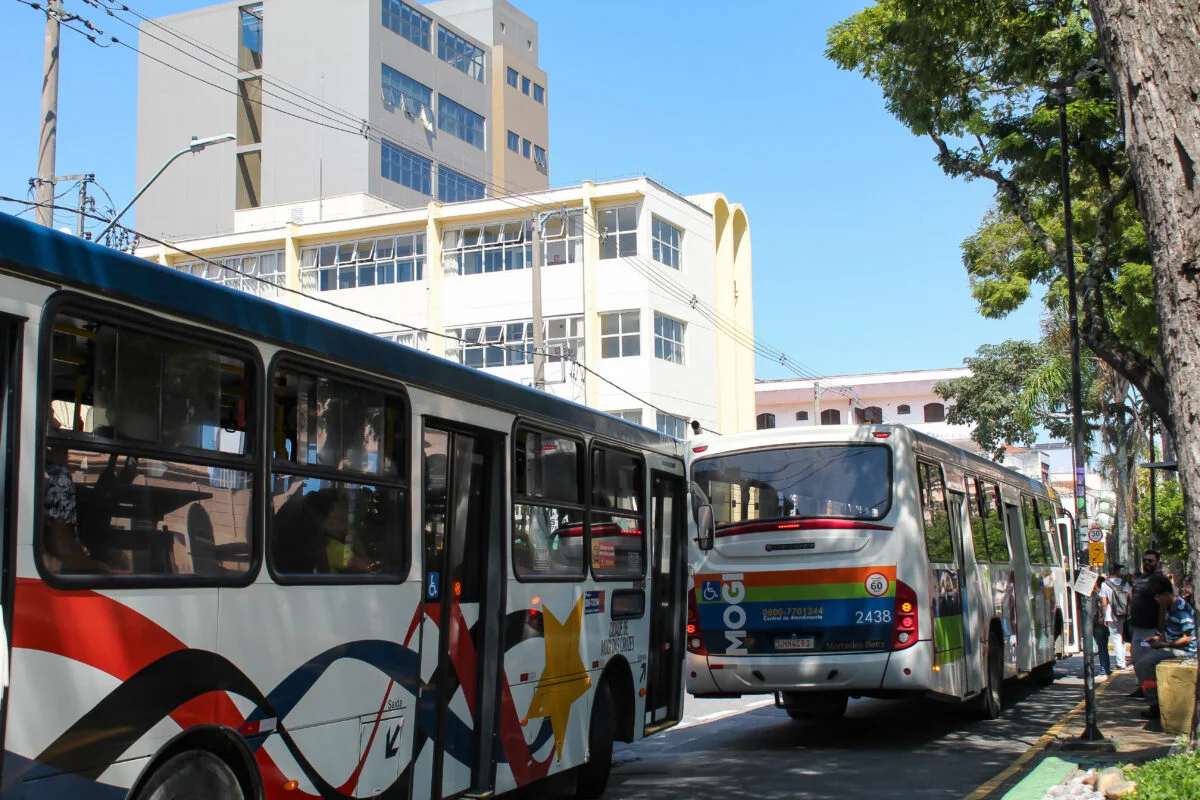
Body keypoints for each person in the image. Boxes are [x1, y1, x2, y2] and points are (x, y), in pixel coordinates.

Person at [43, 411, 110, 574]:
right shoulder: (59, 479)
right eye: (50, 417)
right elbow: (61, 546)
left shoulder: (48, 473)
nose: (57, 424)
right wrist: (99, 570)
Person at [1133, 574, 1196, 731]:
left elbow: (1187, 638)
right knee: (1142, 659)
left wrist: (1163, 645)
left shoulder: (1181, 608)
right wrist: (1158, 637)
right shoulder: (1168, 608)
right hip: (1171, 645)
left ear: (1167, 594)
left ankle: (1155, 703)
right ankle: (1155, 699)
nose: (1156, 600)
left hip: (1184, 651)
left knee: (1144, 665)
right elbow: (1164, 630)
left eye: (1158, 597)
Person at [1127, 551, 1165, 698]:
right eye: (1145, 560)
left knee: (1147, 663)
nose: (1147, 563)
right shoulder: (1141, 579)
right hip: (1137, 628)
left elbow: (1164, 606)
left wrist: (1161, 631)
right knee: (1137, 660)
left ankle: (1152, 697)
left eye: (1151, 560)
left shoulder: (1160, 580)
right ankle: (1142, 688)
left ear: (1157, 562)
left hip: (1152, 629)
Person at [1101, 564, 1131, 672]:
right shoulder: (1125, 583)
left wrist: (1104, 616)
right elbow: (1130, 598)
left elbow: (1104, 602)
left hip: (1111, 614)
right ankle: (1121, 661)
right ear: (1117, 571)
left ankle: (1120, 663)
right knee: (1122, 638)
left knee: (1116, 638)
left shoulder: (1105, 585)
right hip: (1124, 614)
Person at [1091, 577, 1112, 679]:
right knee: (1104, 647)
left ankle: (1104, 670)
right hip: (1106, 623)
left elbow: (1093, 612)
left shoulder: (1095, 596)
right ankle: (1106, 668)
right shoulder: (1106, 595)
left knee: (1101, 648)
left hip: (1098, 624)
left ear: (1096, 584)